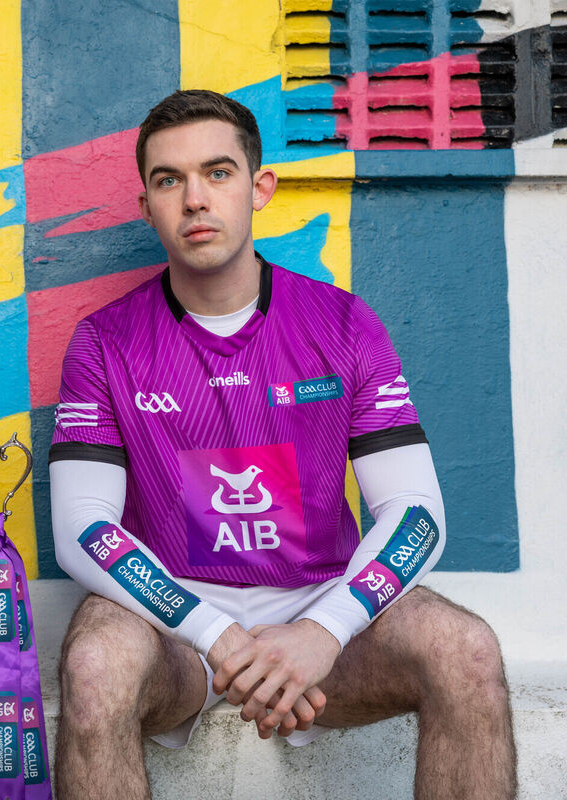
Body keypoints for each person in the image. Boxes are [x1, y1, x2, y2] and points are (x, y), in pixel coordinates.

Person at [50, 90, 515, 799]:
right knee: (94, 666)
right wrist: (216, 634)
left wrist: (324, 630)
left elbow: (416, 513)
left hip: (321, 608)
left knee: (466, 650)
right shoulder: (104, 342)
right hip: (173, 626)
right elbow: (82, 528)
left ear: (259, 187)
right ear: (146, 206)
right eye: (169, 181)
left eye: (218, 172)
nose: (195, 199)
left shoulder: (344, 324)